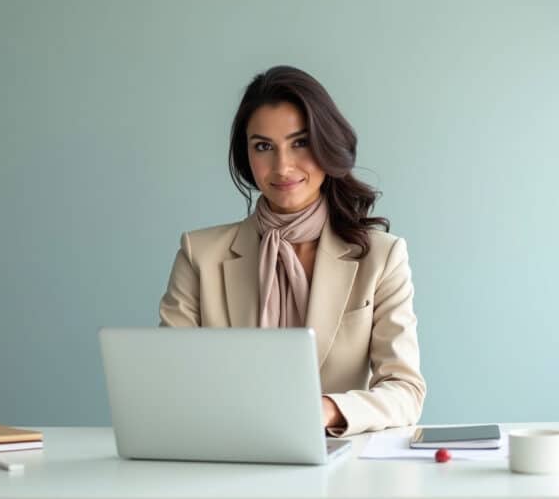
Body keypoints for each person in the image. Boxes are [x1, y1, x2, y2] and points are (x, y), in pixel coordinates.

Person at [159, 65, 426, 437]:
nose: (282, 166)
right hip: (226, 458)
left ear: (327, 145)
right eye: (264, 147)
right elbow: (169, 383)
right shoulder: (199, 254)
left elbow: (405, 391)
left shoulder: (381, 258)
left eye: (300, 142)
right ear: (246, 157)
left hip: (338, 468)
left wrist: (327, 409)